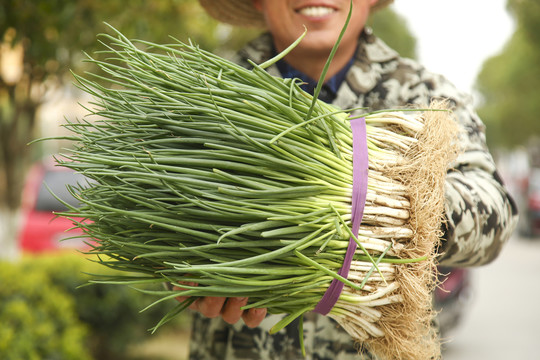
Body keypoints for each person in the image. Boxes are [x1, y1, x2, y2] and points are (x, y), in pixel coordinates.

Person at [176, 0, 519, 359]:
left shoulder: (425, 95)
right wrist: (189, 273)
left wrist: (389, 210)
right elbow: (154, 217)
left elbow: (495, 216)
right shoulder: (206, 93)